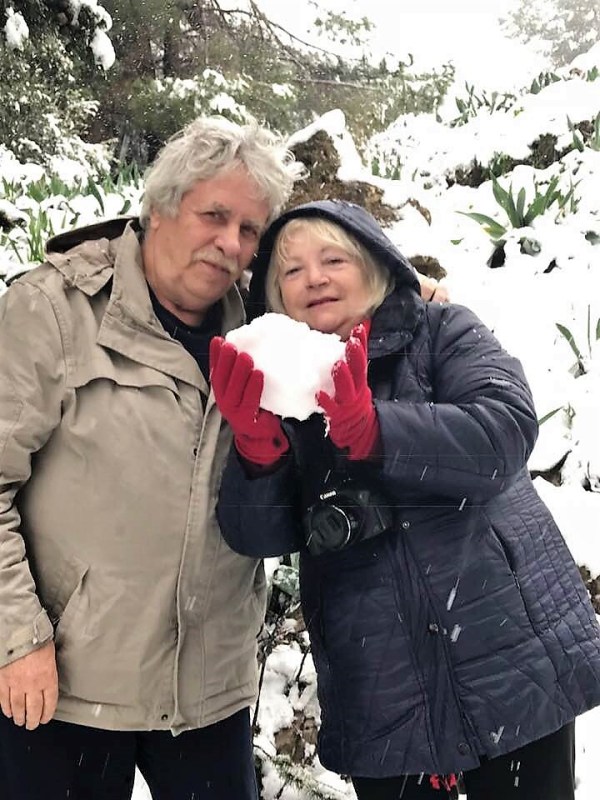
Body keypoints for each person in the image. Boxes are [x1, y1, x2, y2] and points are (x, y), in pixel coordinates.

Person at [212, 199, 600, 800]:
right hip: (383, 688)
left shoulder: (442, 331)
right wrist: (258, 452)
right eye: (291, 270)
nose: (314, 278)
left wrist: (378, 431)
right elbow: (257, 536)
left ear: (372, 265)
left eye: (333, 259)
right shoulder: (279, 385)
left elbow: (505, 431)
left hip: (511, 661)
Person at [0, 115, 304, 800]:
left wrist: (414, 295)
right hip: (64, 684)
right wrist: (16, 638)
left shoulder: (263, 328)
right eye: (214, 215)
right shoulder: (54, 311)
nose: (231, 244)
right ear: (160, 206)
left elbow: (347, 285)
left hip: (208, 688)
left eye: (249, 229)